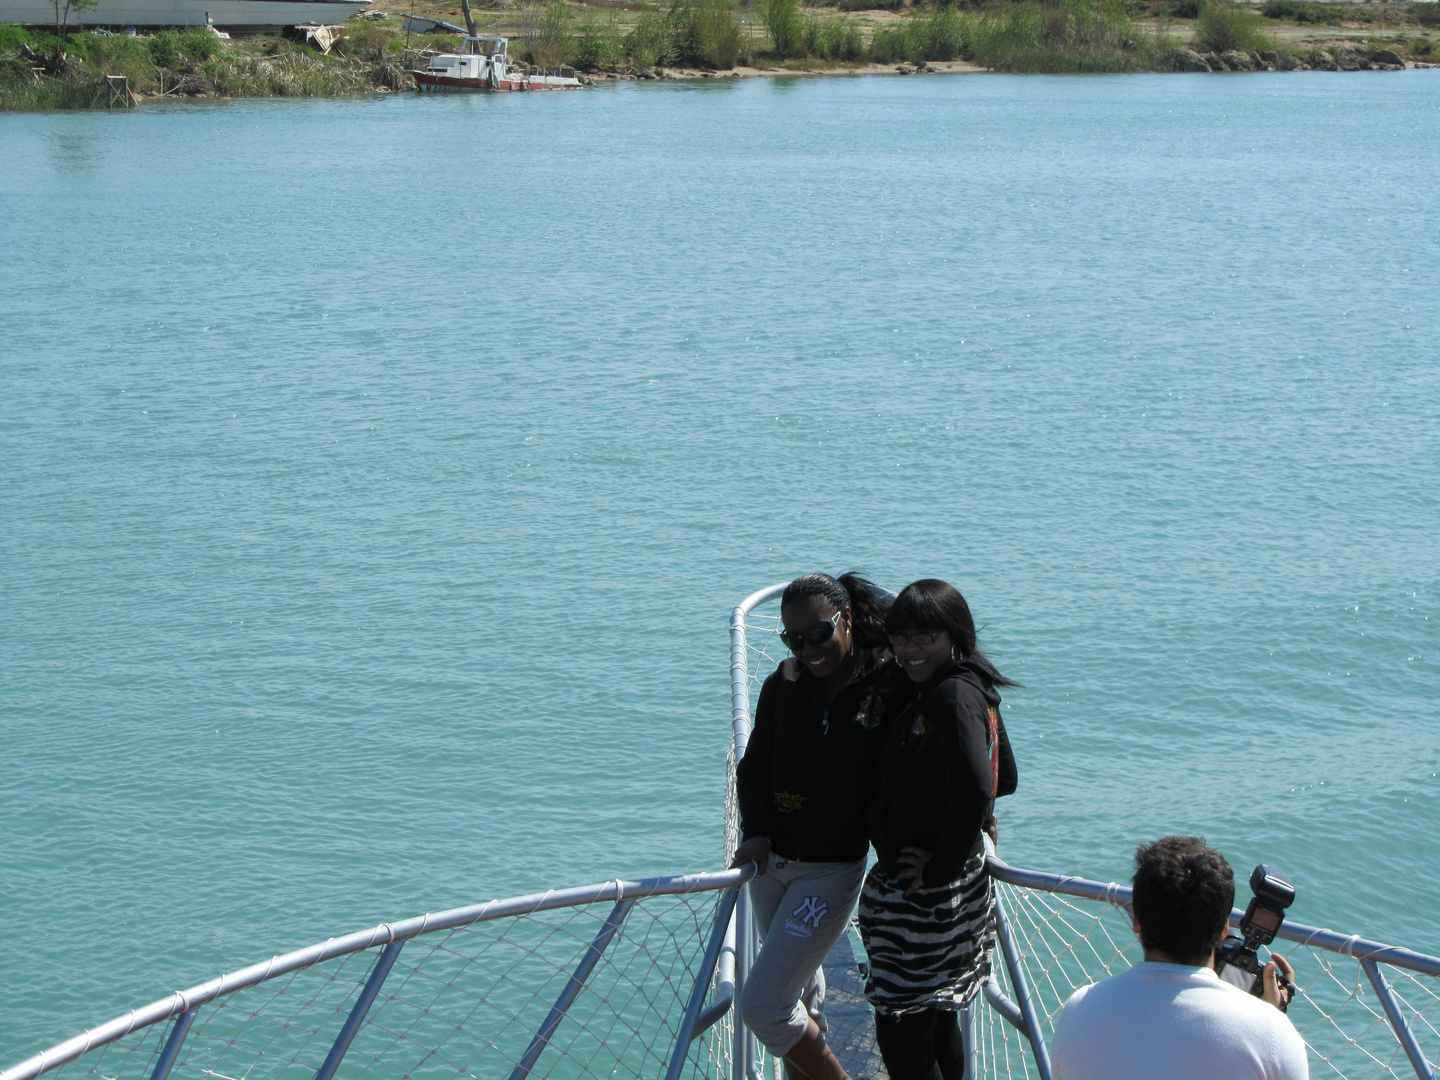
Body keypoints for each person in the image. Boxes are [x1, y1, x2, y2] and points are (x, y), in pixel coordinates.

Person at [732, 572, 897, 1080]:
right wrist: (756, 831)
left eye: (818, 633)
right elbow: (753, 767)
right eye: (793, 638)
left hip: (829, 871)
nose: (807, 648)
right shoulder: (783, 685)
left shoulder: (885, 687)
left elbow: (934, 756)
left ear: (846, 620)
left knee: (763, 1003)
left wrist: (977, 816)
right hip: (769, 865)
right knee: (798, 989)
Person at [859, 579, 1018, 1080]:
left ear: (955, 635)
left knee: (901, 1029)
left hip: (927, 897)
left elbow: (978, 789)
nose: (909, 649)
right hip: (960, 885)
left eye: (924, 636)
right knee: (937, 1016)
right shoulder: (971, 687)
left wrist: (939, 865)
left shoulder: (949, 697)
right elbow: (1004, 777)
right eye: (900, 637)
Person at [1050, 836, 1308, 1080]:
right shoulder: (1272, 1033)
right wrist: (1271, 1016)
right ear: (1223, 930)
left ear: (1137, 921)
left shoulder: (1079, 1009)